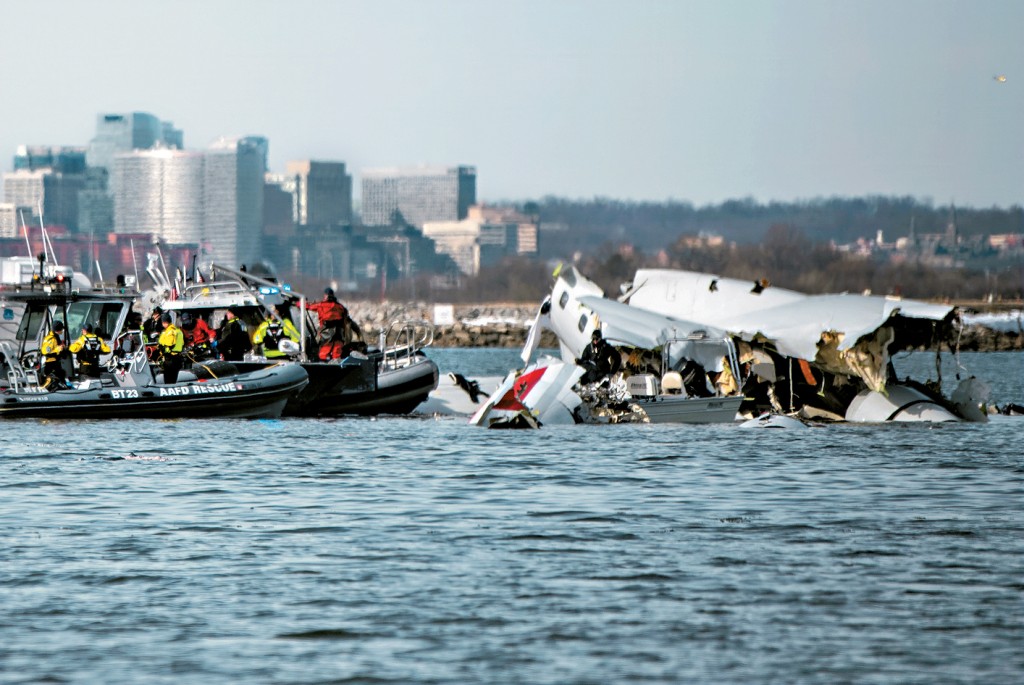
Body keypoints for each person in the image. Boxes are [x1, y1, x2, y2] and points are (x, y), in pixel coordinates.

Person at [303, 288, 360, 361]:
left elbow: (308, 306)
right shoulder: (340, 307)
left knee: (323, 353)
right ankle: (338, 367)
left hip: (327, 333)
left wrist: (298, 302)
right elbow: (347, 319)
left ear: (325, 295)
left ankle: (323, 367)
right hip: (339, 333)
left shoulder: (321, 305)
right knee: (337, 353)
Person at [40, 320, 70, 391]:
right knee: (53, 379)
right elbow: (45, 352)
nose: (62, 330)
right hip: (51, 364)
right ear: (58, 329)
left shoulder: (55, 337)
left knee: (61, 376)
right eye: (61, 329)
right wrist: (58, 349)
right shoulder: (51, 339)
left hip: (56, 363)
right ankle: (43, 390)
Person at [157, 312, 185, 383]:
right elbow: (182, 343)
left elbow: (169, 343)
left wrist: (161, 346)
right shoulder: (177, 331)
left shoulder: (170, 331)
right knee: (174, 378)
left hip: (170, 358)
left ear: (165, 322)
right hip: (177, 357)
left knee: (168, 378)